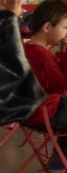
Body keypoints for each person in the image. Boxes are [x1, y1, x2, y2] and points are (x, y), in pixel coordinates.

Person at [22, 0, 67, 132]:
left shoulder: (25, 48)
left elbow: (53, 77)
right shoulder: (43, 57)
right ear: (47, 27)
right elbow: (61, 88)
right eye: (65, 28)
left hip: (25, 111)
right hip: (46, 114)